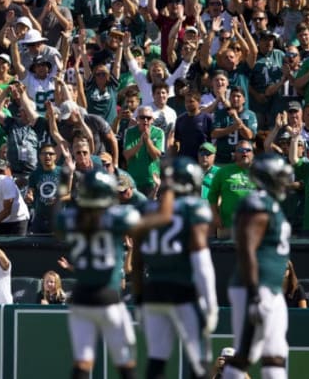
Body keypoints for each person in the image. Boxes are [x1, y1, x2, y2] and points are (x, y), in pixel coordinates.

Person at [55, 170, 173, 379]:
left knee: (82, 363)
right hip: (107, 298)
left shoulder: (70, 218)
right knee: (125, 364)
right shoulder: (118, 217)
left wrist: (64, 187)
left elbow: (58, 218)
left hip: (80, 299)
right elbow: (160, 218)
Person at [133, 157, 217, 379]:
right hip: (182, 291)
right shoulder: (193, 209)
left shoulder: (147, 209)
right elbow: (201, 260)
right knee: (199, 361)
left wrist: (139, 298)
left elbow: (137, 259)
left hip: (153, 291)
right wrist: (210, 302)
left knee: (156, 360)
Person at [223, 154, 294, 379]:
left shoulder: (270, 204)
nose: (285, 182)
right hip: (255, 287)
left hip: (270, 287)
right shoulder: (257, 203)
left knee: (276, 352)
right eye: (280, 177)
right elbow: (246, 247)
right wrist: (254, 293)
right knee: (247, 352)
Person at [208, 139, 256, 238]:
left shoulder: (260, 172)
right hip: (227, 226)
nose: (244, 153)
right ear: (235, 154)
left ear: (253, 153)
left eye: (248, 150)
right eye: (240, 150)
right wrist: (215, 217)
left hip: (254, 227)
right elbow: (212, 195)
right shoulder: (223, 171)